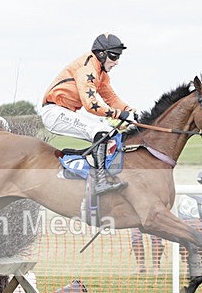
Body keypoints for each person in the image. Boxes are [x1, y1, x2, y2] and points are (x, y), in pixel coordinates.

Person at [40, 32, 137, 194]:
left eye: (119, 56)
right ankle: (100, 182)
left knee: (110, 133)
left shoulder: (100, 73)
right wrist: (118, 114)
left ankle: (93, 170)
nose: (117, 62)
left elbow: (111, 98)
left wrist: (127, 110)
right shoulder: (87, 69)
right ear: (101, 54)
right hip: (54, 112)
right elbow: (91, 105)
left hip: (64, 111)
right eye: (114, 56)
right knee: (102, 131)